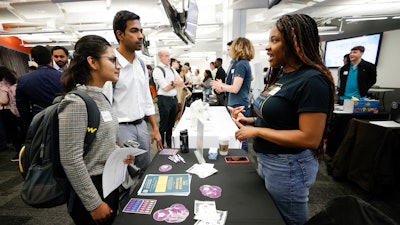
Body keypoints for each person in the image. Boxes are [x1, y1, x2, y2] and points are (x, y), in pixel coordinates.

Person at [229, 14, 334, 225]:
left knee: (287, 220)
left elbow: (309, 138)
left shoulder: (312, 81)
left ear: (296, 43)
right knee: (270, 215)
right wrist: (249, 121)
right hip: (270, 160)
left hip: (290, 166)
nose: (268, 47)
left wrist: (257, 132)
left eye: (275, 41)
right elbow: (279, 118)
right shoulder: (282, 76)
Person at [59, 34, 134, 225]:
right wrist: (93, 204)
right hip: (92, 187)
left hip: (108, 181)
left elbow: (102, 142)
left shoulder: (101, 98)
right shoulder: (76, 102)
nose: (117, 66)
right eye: (111, 60)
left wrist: (119, 153)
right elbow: (70, 158)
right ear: (92, 62)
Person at [103, 10, 163, 173]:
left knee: (144, 169)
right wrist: (111, 139)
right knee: (125, 174)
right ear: (120, 34)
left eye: (141, 31)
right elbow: (104, 106)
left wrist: (155, 128)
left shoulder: (141, 64)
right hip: (120, 129)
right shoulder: (110, 64)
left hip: (141, 126)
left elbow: (146, 98)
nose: (141, 36)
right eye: (134, 31)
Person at [211, 37, 255, 152]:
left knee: (241, 135)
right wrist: (223, 86)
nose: (229, 51)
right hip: (237, 102)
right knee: (239, 134)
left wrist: (222, 86)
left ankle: (243, 158)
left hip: (239, 104)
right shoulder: (241, 63)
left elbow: (235, 88)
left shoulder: (241, 64)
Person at [16, 45, 63, 150]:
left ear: (33, 59)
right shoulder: (63, 77)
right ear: (51, 57)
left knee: (42, 148)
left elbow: (22, 106)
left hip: (38, 118)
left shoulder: (24, 79)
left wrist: (28, 123)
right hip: (62, 115)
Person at [153, 49, 184, 148]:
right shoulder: (158, 70)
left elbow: (182, 82)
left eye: (169, 55)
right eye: (166, 56)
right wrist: (175, 83)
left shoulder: (171, 69)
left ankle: (169, 144)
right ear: (160, 57)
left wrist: (172, 83)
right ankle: (160, 145)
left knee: (171, 124)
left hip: (173, 99)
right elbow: (165, 88)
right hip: (164, 100)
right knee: (164, 125)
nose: (169, 58)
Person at [0, 66, 21, 156]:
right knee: (14, 130)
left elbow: (3, 100)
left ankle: (17, 149)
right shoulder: (13, 83)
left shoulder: (3, 85)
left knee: (11, 131)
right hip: (13, 110)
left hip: (6, 110)